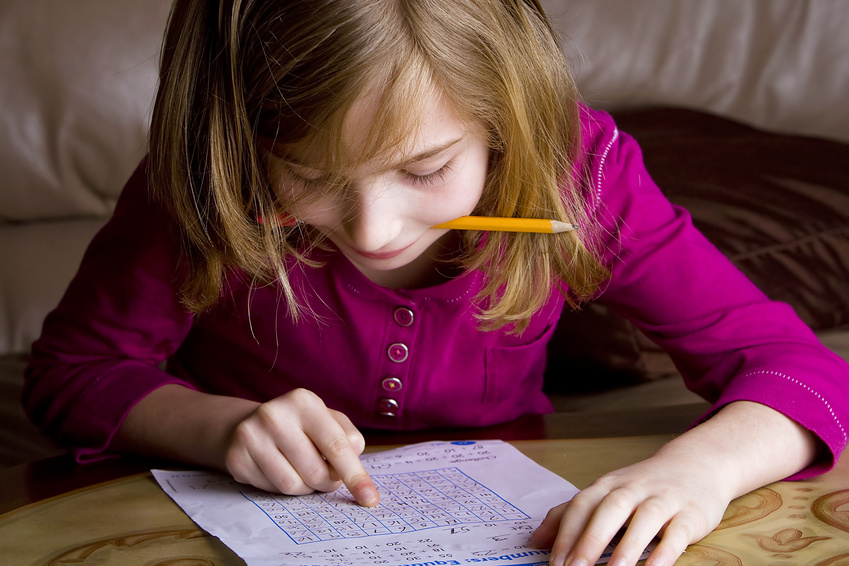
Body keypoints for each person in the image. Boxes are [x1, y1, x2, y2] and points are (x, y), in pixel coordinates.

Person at [22, 1, 849, 565]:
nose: (374, 230)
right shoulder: (206, 180)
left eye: (424, 169)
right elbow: (71, 373)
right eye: (306, 176)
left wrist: (694, 474)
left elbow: (800, 369)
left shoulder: (579, 177)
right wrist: (216, 428)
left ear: (502, 123)